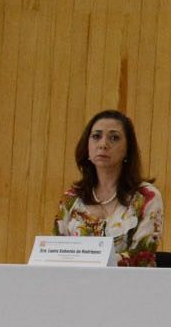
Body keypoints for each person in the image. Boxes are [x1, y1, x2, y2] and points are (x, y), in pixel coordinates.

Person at [53, 109, 163, 267]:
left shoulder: (146, 196)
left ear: (127, 149)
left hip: (130, 287)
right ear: (87, 146)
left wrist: (89, 260)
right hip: (76, 287)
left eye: (114, 138)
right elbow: (55, 254)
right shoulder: (71, 199)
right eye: (96, 136)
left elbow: (142, 257)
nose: (103, 144)